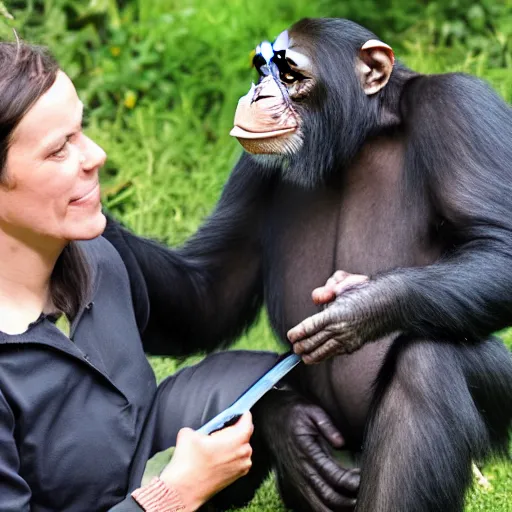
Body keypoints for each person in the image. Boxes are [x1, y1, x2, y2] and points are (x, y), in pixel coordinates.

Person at [0, 41, 338, 512]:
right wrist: (173, 495)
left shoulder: (94, 254)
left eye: (80, 131)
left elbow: (199, 307)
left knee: (303, 383)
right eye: (59, 150)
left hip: (139, 456)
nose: (95, 156)